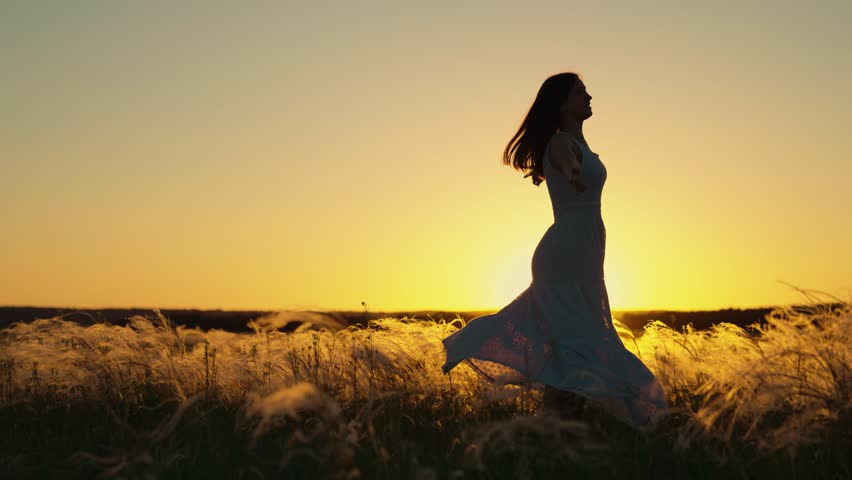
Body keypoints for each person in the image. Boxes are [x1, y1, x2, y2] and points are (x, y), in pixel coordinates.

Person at [440, 72, 668, 429]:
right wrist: (574, 172)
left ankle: (558, 431)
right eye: (581, 92)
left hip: (584, 253)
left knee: (572, 343)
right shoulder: (562, 144)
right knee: (577, 341)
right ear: (563, 103)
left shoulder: (579, 143)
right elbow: (566, 163)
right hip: (565, 253)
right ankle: (562, 427)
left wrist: (578, 169)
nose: (589, 96)